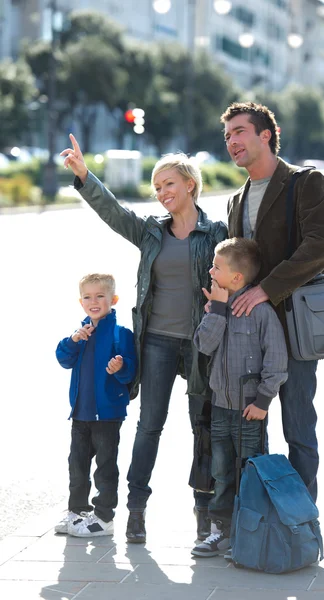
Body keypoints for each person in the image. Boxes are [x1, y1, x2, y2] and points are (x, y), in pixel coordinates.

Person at [60, 134, 228, 544]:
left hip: (200, 343)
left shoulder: (217, 232)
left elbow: (236, 274)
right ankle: (136, 511)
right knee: (149, 426)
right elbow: (114, 213)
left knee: (201, 428)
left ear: (190, 184)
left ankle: (204, 514)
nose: (162, 193)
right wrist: (85, 176)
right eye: (157, 187)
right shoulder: (152, 232)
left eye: (169, 183)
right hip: (154, 342)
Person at [220, 102, 324, 502]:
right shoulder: (236, 200)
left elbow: (321, 246)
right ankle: (258, 520)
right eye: (228, 136)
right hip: (250, 334)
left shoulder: (306, 182)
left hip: (296, 326)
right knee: (252, 429)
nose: (232, 142)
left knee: (299, 427)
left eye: (239, 132)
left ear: (265, 135)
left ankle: (300, 523)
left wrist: (266, 289)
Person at [190, 237, 288, 557]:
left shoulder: (260, 313)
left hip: (250, 411)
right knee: (221, 471)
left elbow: (276, 360)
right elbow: (203, 345)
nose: (210, 270)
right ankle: (221, 530)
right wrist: (216, 310)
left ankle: (251, 534)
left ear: (236, 277)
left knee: (250, 471)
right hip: (220, 407)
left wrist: (263, 402)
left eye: (217, 267)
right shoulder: (216, 307)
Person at [55, 273, 136, 537]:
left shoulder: (120, 334)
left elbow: (130, 375)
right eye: (88, 297)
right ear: (81, 302)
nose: (94, 301)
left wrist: (119, 368)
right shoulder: (80, 334)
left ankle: (103, 518)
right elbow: (64, 359)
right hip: (80, 413)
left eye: (100, 296)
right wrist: (73, 341)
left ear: (113, 299)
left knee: (105, 467)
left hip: (108, 415)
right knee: (77, 465)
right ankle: (76, 512)